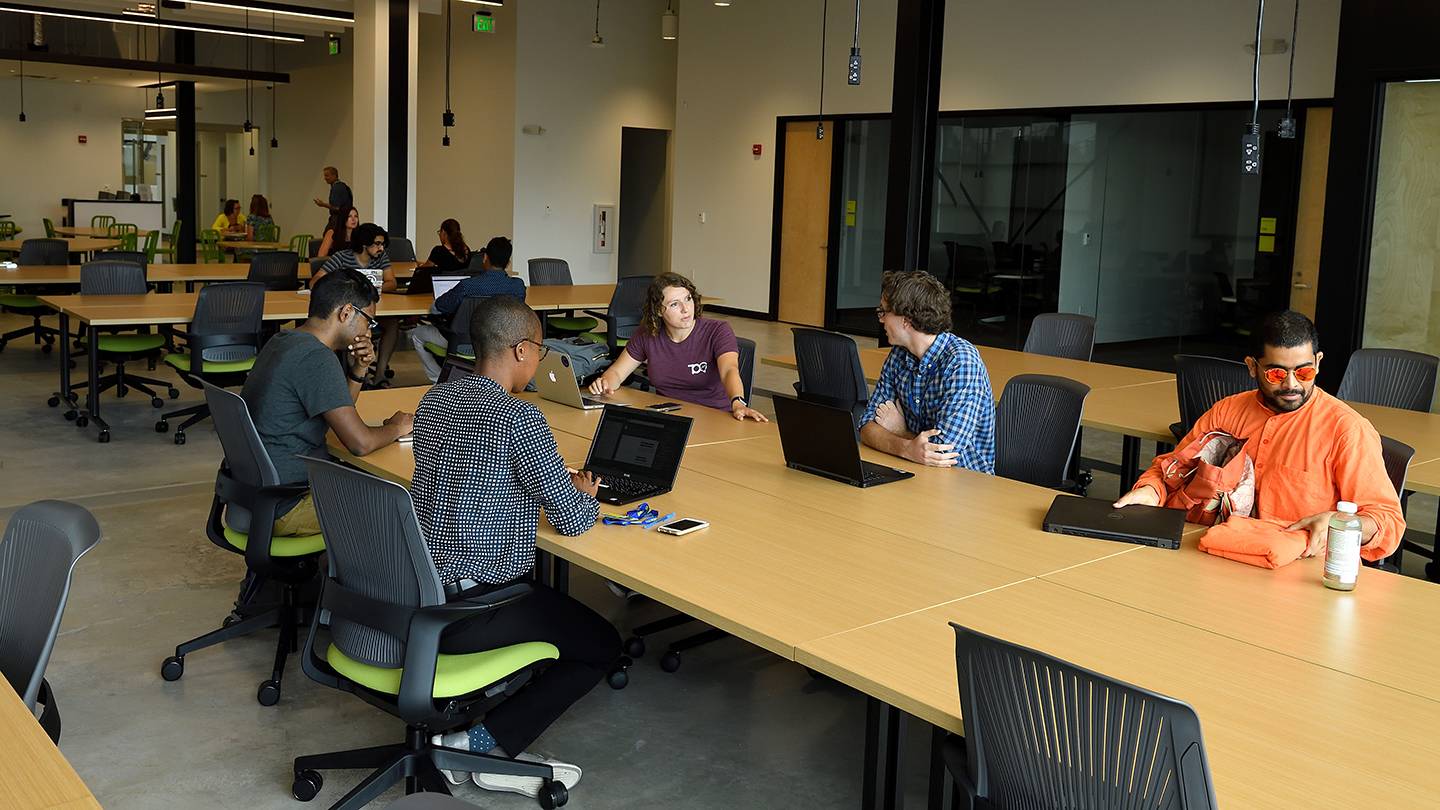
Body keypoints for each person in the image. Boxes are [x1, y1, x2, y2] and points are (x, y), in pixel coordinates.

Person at [412, 296, 617, 797]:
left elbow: (472, 474)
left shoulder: (434, 402)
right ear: (522, 350)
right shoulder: (518, 417)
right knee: (603, 647)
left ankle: (484, 729)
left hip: (416, 592)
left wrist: (534, 481)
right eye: (542, 352)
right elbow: (570, 520)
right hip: (475, 606)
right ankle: (482, 746)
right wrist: (584, 494)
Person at [1115, 310, 1405, 561]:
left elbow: (1388, 522)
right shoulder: (1227, 411)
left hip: (1295, 570)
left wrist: (1345, 523)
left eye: (1304, 372)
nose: (1292, 385)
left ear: (1317, 362)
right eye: (1277, 374)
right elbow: (1172, 470)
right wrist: (1151, 492)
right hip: (1213, 553)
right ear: (1253, 367)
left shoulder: (1347, 430)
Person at [240, 268, 413, 536]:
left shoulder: (284, 340)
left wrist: (358, 371)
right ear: (346, 313)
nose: (368, 331)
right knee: (403, 504)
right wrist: (398, 428)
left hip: (255, 494)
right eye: (368, 320)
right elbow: (360, 443)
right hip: (290, 503)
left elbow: (338, 416)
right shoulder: (317, 358)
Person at [857, 270, 995, 471]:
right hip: (912, 470)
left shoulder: (962, 361)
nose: (881, 320)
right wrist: (907, 448)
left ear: (906, 319)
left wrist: (899, 431)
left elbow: (940, 453)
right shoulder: (898, 355)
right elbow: (867, 427)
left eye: (884, 312)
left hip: (964, 484)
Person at [588, 272, 768, 422]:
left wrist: (737, 402)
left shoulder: (717, 330)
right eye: (675, 304)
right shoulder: (647, 334)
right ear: (658, 310)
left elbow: (729, 369)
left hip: (715, 417)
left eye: (688, 299)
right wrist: (604, 384)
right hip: (668, 417)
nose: (686, 309)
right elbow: (617, 373)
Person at [408, 236, 526, 382]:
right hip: (501, 346)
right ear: (508, 262)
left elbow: (437, 308)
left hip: (463, 344)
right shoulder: (518, 287)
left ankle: (438, 379)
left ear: (485, 258)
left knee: (417, 334)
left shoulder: (467, 286)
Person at [313, 223, 400, 384]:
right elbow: (316, 281)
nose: (381, 248)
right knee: (353, 325)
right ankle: (360, 376)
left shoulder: (381, 258)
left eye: (383, 244)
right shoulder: (341, 257)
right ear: (364, 243)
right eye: (377, 244)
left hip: (373, 310)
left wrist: (366, 289)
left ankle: (380, 373)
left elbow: (392, 282)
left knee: (393, 323)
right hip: (350, 312)